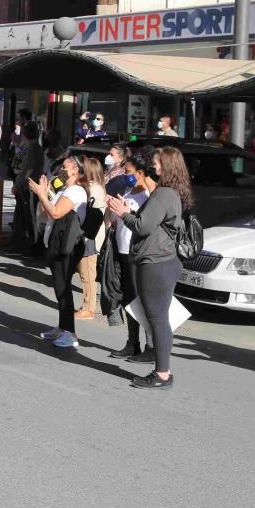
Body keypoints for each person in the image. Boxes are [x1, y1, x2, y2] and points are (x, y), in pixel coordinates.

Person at [108, 146, 192, 389]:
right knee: (158, 319)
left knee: (157, 320)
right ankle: (161, 370)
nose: (154, 166)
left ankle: (162, 373)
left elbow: (143, 226)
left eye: (157, 162)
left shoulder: (164, 194)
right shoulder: (170, 192)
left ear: (167, 165)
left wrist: (123, 213)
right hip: (161, 261)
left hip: (157, 263)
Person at [28, 156, 89, 349]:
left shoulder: (76, 190)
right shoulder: (65, 189)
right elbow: (49, 211)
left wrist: (41, 194)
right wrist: (45, 193)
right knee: (58, 286)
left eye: (65, 167)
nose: (61, 170)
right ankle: (62, 327)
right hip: (57, 242)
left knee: (63, 289)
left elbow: (55, 212)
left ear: (74, 171)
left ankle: (70, 333)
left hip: (67, 246)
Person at [107, 150, 153, 362]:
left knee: (140, 300)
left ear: (141, 172)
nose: (126, 173)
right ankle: (132, 342)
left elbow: (145, 224)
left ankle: (151, 345)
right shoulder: (127, 189)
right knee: (128, 299)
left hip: (137, 253)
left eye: (129, 170)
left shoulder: (150, 195)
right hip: (122, 249)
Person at [75, 157, 107, 320]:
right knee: (85, 271)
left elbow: (91, 214)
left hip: (91, 236)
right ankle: (86, 304)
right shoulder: (96, 187)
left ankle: (89, 308)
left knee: (87, 272)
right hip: (91, 234)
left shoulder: (94, 190)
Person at [11, 120, 43, 255]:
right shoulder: (33, 147)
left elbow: (27, 170)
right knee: (23, 216)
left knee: (30, 217)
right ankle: (23, 244)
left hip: (28, 187)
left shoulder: (33, 148)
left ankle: (32, 246)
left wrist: (18, 185)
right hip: (27, 186)